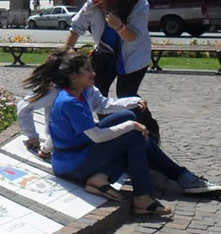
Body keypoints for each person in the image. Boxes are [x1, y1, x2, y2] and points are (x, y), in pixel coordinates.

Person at [47, 53, 221, 216]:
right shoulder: (70, 102)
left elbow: (103, 105)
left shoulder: (81, 91)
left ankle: (105, 178)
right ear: (73, 76)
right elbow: (97, 136)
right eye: (87, 70)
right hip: (73, 164)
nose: (93, 73)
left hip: (80, 152)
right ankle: (148, 194)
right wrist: (130, 126)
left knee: (128, 118)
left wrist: (133, 105)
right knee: (134, 135)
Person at [18, 49, 147, 159]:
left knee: (128, 116)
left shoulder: (86, 87)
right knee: (129, 136)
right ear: (70, 71)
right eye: (76, 61)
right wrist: (32, 136)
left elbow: (102, 105)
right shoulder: (55, 91)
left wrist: (134, 101)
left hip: (86, 132)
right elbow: (24, 107)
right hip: (67, 141)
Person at [65, 0, 150, 97]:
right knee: (95, 93)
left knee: (126, 95)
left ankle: (140, 110)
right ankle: (105, 112)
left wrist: (119, 27)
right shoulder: (96, 1)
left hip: (134, 55)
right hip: (104, 54)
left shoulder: (140, 5)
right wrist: (66, 53)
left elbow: (134, 37)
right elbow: (76, 27)